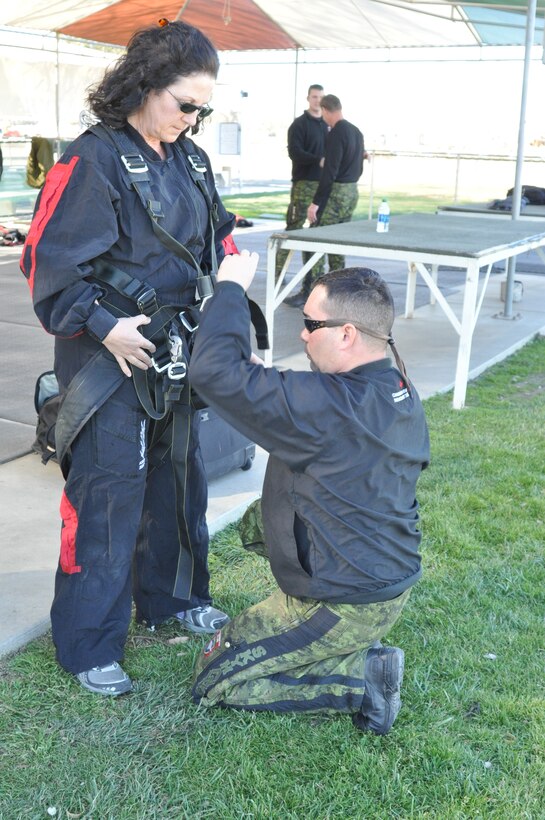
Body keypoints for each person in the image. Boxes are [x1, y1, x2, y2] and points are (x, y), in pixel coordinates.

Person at [20, 20, 234, 696]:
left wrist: (226, 278)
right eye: (185, 104)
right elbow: (45, 261)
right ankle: (87, 646)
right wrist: (106, 326)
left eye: (204, 107)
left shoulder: (189, 157)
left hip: (175, 356)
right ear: (145, 86)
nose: (194, 119)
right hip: (105, 359)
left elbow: (214, 234)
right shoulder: (92, 159)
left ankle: (171, 600)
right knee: (107, 499)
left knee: (179, 482)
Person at [189, 254, 430, 735]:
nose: (302, 333)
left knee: (214, 680)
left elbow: (212, 371)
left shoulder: (325, 406)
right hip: (376, 576)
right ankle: (341, 651)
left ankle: (362, 681)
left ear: (346, 334)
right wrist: (262, 382)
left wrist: (230, 290)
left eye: (310, 323)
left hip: (344, 601)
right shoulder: (391, 384)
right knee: (229, 627)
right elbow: (320, 414)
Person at [285, 94, 365, 308]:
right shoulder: (356, 131)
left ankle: (312, 292)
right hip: (351, 192)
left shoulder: (336, 133)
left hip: (336, 193)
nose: (324, 120)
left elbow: (330, 171)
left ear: (327, 110)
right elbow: (359, 167)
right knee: (338, 240)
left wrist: (316, 203)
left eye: (324, 114)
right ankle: (341, 289)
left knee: (315, 240)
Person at [278, 85, 328, 295]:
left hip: (323, 185)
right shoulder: (299, 125)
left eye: (321, 97)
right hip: (303, 183)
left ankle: (312, 282)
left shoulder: (328, 125)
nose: (318, 101)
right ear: (308, 98)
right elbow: (295, 153)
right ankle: (278, 272)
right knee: (294, 229)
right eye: (315, 97)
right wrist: (318, 160)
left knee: (316, 233)